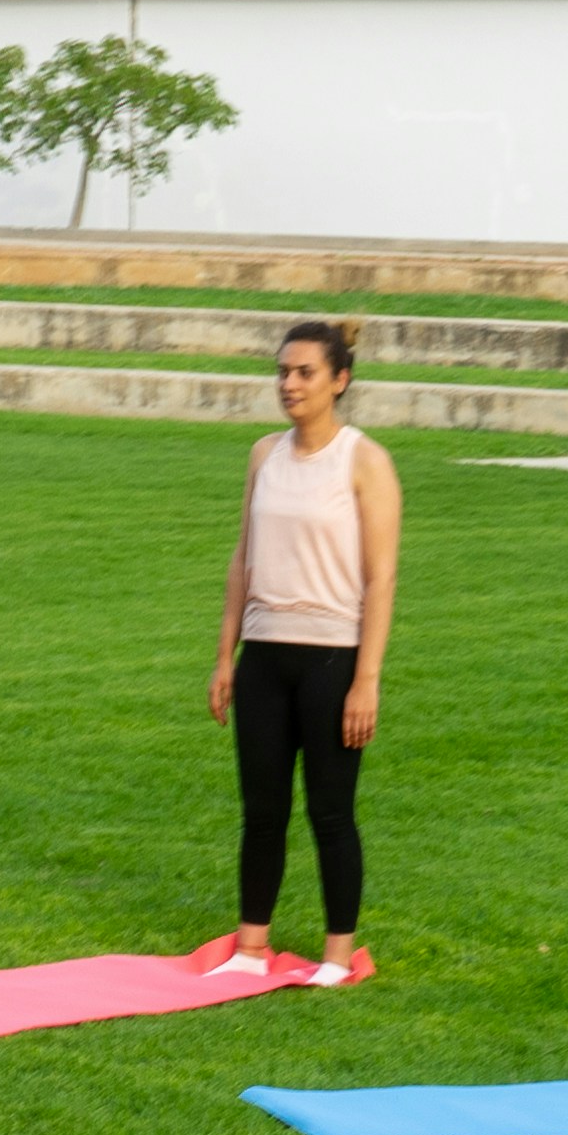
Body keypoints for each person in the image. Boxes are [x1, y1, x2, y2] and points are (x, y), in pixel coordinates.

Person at [198, 322, 401, 988]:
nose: (289, 384)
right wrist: (226, 655)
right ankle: (250, 946)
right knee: (261, 809)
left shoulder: (364, 461)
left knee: (329, 812)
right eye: (283, 371)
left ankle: (337, 956)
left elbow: (381, 577)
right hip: (264, 656)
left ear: (339, 380)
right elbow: (243, 556)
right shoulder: (264, 455)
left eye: (305, 372)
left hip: (331, 660)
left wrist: (365, 679)